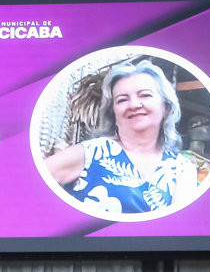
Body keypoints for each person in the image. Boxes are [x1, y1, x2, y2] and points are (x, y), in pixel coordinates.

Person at [44, 59, 198, 217]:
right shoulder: (91, 152)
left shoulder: (181, 168)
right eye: (122, 99)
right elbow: (29, 183)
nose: (134, 104)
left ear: (166, 107)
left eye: (145, 95)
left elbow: (178, 226)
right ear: (114, 113)